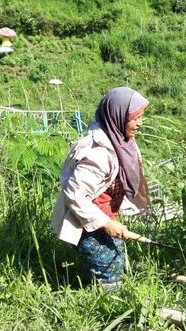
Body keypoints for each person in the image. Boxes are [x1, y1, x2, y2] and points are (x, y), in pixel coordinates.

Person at [51, 87, 150, 290]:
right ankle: (109, 309)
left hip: (105, 215)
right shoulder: (97, 153)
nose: (139, 123)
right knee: (109, 270)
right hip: (85, 220)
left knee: (117, 257)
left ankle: (96, 282)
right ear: (118, 116)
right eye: (135, 117)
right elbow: (75, 194)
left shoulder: (123, 142)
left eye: (141, 117)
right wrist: (104, 222)